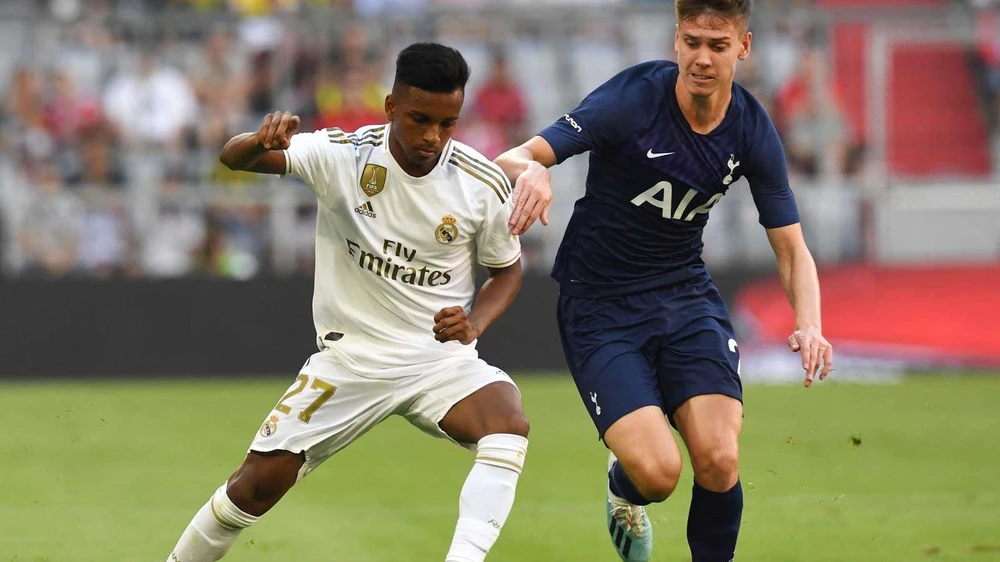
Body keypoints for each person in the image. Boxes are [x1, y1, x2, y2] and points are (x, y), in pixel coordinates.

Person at [495, 1, 833, 561]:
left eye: (717, 46)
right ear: (676, 39)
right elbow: (515, 155)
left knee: (720, 458)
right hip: (600, 305)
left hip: (684, 296)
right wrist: (532, 169)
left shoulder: (751, 128)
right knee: (657, 475)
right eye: (692, 42)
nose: (702, 58)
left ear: (744, 47)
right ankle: (622, 486)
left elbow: (792, 247)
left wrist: (811, 324)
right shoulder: (633, 99)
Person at [166, 43, 529, 562]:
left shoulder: (481, 182)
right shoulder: (344, 154)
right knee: (252, 488)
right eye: (420, 119)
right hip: (351, 359)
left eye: (447, 123)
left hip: (437, 361)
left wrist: (475, 322)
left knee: (508, 424)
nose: (433, 136)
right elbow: (233, 158)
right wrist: (257, 140)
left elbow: (507, 270)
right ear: (390, 106)